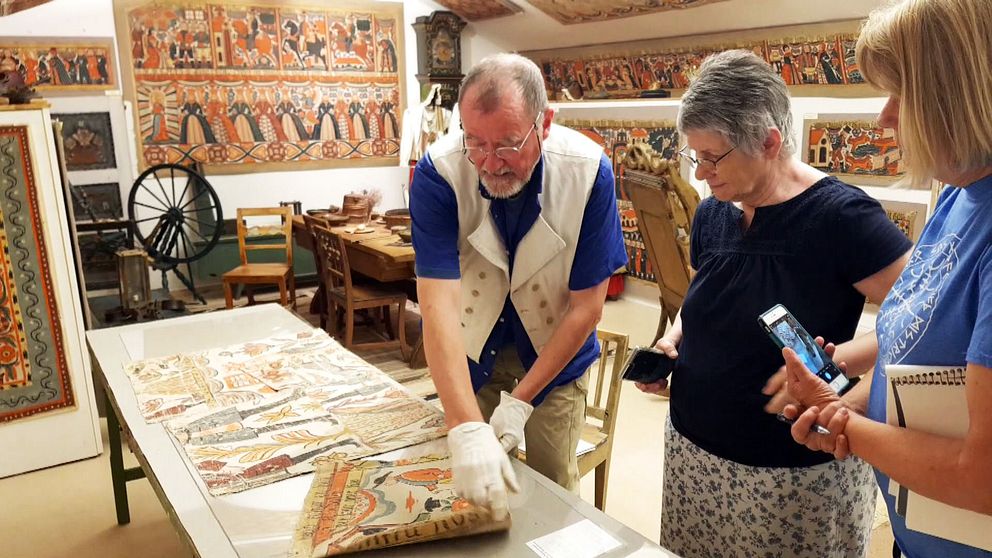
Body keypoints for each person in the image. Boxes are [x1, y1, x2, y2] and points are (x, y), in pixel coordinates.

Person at [634, 49, 912, 557]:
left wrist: (842, 361)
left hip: (790, 475)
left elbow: (923, 319)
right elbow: (706, 298)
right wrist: (673, 342)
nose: (700, 175)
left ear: (769, 141)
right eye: (694, 157)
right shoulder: (715, 212)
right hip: (694, 453)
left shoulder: (842, 218)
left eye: (712, 157)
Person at [780, 2, 992, 557]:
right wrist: (841, 403)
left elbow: (983, 477)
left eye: (902, 94)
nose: (885, 118)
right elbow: (920, 355)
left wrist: (844, 422)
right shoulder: (958, 194)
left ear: (961, 93)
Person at [410, 52, 627, 519]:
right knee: (475, 496)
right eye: (475, 142)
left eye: (507, 144)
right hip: (473, 343)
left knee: (554, 496)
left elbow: (586, 308)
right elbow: (438, 307)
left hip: (554, 351)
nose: (489, 163)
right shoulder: (438, 173)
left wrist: (522, 401)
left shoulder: (588, 173)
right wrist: (466, 428)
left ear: (544, 123)